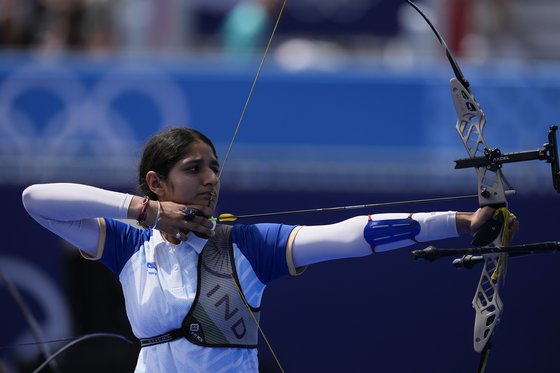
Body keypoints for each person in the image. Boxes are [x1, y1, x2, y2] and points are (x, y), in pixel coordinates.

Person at [22, 127, 516, 372]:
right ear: (157, 182)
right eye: (194, 169)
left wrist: (459, 222)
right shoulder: (128, 243)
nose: (211, 178)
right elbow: (37, 201)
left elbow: (348, 235)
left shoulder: (244, 244)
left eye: (214, 167)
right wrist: (144, 212)